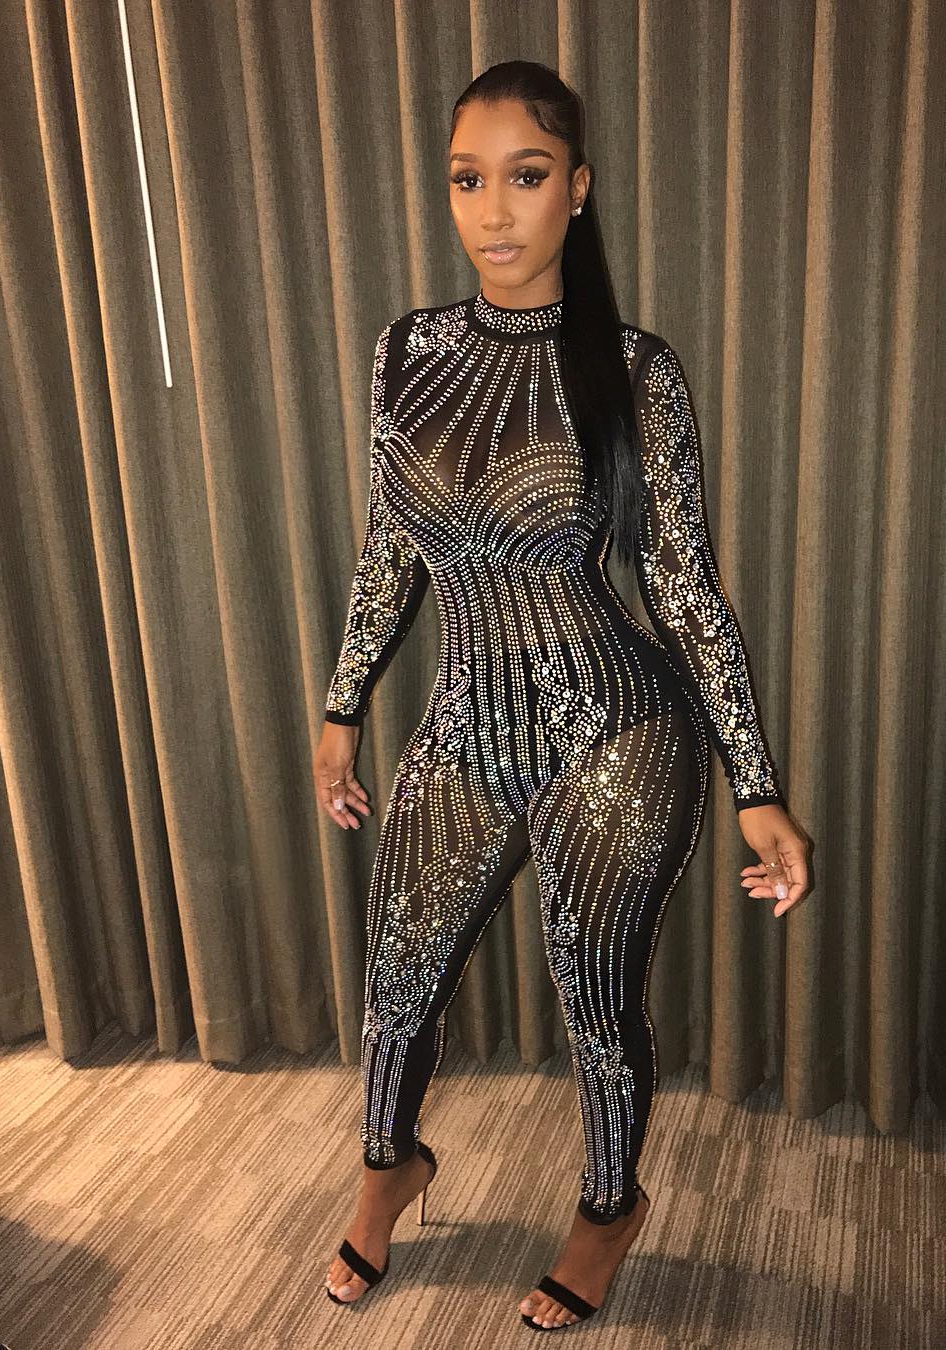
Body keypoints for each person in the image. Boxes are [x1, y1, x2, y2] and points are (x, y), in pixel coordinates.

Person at [313, 59, 810, 1332]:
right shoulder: (406, 352)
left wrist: (757, 786)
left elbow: (686, 592)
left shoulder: (637, 370)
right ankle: (387, 1168)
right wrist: (341, 706)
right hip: (465, 723)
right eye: (467, 179)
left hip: (617, 731)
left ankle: (606, 1208)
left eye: (525, 177)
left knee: (594, 995)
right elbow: (388, 549)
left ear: (577, 189)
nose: (493, 211)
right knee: (396, 979)